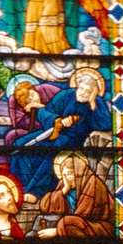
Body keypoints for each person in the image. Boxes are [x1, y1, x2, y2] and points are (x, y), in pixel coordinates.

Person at [11, 67, 112, 203]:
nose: (82, 93)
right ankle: (17, 186)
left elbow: (105, 124)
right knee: (19, 145)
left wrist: (93, 101)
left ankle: (36, 191)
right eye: (81, 88)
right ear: (76, 85)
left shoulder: (96, 103)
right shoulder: (65, 95)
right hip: (52, 132)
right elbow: (46, 112)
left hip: (73, 139)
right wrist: (57, 121)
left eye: (87, 91)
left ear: (94, 92)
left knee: (54, 149)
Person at [36, 152, 115, 244]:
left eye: (71, 174)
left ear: (80, 171)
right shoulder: (66, 184)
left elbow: (82, 216)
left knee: (67, 222)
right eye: (65, 175)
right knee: (44, 243)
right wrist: (63, 190)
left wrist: (56, 231)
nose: (69, 178)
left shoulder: (92, 182)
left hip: (102, 229)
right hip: (79, 229)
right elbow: (45, 206)